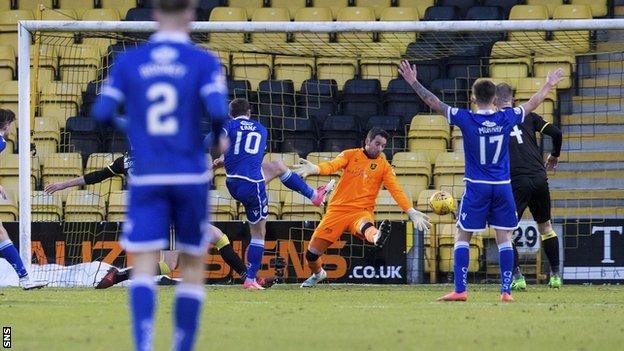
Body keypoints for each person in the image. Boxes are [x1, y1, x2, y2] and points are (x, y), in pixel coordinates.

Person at [91, 0, 227, 349]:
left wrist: (135, 127)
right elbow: (216, 110)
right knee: (192, 264)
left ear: (153, 15)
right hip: (189, 175)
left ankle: (144, 345)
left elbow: (102, 113)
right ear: (191, 13)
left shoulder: (129, 61)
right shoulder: (203, 61)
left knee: (144, 263)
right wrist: (213, 141)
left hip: (147, 175)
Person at [398, 60, 564, 302]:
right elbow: (532, 104)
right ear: (495, 98)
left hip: (477, 186)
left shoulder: (466, 118)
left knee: (462, 235)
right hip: (503, 187)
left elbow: (433, 102)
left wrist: (414, 82)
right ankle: (506, 292)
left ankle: (460, 290)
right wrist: (548, 85)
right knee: (504, 237)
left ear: (473, 99)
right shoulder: (506, 118)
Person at [44, 154, 278, 289]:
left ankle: (248, 278)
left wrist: (63, 184)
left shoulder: (126, 160)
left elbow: (95, 177)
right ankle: (120, 276)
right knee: (173, 263)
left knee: (215, 237)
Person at [216, 98, 334, 290]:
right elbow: (251, 155)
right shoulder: (261, 129)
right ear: (250, 112)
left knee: (278, 166)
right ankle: (251, 279)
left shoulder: (228, 125)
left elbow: (216, 144)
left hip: (233, 183)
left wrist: (220, 158)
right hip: (253, 186)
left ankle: (314, 195)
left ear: (231, 114)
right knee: (258, 233)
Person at [293, 127, 431, 287]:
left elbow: (396, 190)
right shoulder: (350, 155)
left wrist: (411, 211)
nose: (379, 148)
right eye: (377, 144)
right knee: (311, 254)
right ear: (367, 141)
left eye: (383, 146)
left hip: (361, 212)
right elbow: (332, 165)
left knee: (366, 227)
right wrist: (316, 169)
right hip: (337, 211)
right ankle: (318, 274)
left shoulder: (384, 166)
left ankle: (377, 236)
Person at [494, 83, 563, 290]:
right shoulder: (528, 116)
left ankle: (517, 277)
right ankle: (556, 276)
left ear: (495, 102)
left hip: (516, 180)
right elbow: (557, 133)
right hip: (539, 177)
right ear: (513, 101)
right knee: (546, 227)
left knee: (504, 232)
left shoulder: (495, 121)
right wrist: (554, 155)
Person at [0, 109, 48, 290]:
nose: (13, 128)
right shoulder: (1, 142)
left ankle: (25, 278)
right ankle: (25, 278)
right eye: (11, 124)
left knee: (1, 232)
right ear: (6, 125)